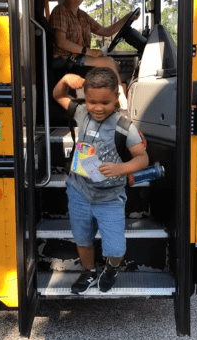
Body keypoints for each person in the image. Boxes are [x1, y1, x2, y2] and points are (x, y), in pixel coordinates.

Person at [52, 67, 149, 294]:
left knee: (115, 248)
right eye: (91, 101)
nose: (97, 107)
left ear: (116, 97)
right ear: (85, 97)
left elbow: (142, 158)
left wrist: (120, 168)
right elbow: (58, 95)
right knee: (83, 238)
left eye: (105, 102)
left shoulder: (125, 127)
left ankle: (111, 269)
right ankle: (89, 272)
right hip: (79, 191)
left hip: (110, 197)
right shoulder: (81, 113)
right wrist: (65, 78)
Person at [50, 0, 138, 105]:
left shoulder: (82, 16)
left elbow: (106, 31)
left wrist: (126, 18)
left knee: (115, 64)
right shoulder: (60, 11)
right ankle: (122, 104)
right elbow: (61, 41)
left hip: (78, 58)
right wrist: (88, 51)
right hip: (65, 61)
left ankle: (105, 102)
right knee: (108, 62)